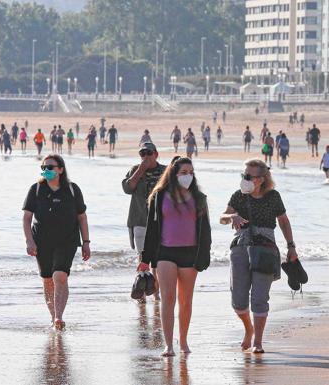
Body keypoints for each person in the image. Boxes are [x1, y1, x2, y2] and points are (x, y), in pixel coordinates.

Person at [220, 159, 299, 353]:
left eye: (249, 176)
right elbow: (222, 217)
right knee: (238, 300)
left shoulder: (273, 196)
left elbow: (284, 222)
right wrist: (233, 217)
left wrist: (291, 247)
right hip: (240, 247)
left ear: (262, 179)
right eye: (244, 175)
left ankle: (258, 342)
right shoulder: (238, 196)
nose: (245, 179)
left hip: (265, 247)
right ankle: (249, 329)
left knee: (259, 297)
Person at [137, 156, 211, 356]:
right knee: (167, 299)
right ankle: (168, 345)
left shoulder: (199, 198)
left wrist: (204, 257)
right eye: (183, 173)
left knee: (185, 301)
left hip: (190, 254)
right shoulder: (159, 196)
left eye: (190, 172)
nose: (188, 176)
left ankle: (184, 341)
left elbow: (206, 231)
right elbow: (152, 229)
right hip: (165, 253)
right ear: (173, 174)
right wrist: (145, 259)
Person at [22, 154, 91, 330]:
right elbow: (27, 218)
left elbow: (82, 217)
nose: (46, 171)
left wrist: (86, 242)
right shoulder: (36, 189)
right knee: (47, 279)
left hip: (67, 240)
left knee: (59, 275)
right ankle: (53, 317)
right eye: (43, 168)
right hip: (42, 241)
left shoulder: (72, 189)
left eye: (50, 167)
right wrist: (29, 241)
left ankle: (59, 316)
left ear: (60, 169)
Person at [123, 143, 166, 301]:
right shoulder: (135, 170)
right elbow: (127, 188)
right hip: (139, 219)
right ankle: (140, 292)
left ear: (156, 154)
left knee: (159, 259)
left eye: (149, 153)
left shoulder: (165, 171)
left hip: (162, 221)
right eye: (142, 154)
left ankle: (156, 293)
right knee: (142, 257)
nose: (146, 156)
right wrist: (140, 170)